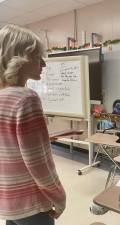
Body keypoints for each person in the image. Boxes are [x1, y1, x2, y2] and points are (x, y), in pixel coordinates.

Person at [0, 24, 66, 225]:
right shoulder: (26, 99)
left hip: (8, 203)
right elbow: (38, 162)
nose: (44, 64)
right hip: (32, 203)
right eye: (38, 57)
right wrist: (59, 196)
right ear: (20, 59)